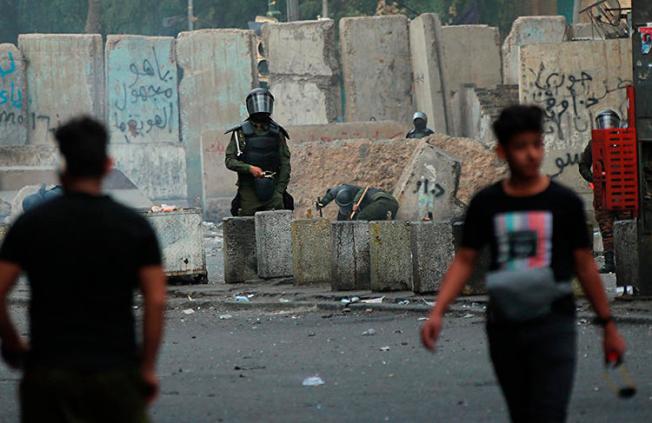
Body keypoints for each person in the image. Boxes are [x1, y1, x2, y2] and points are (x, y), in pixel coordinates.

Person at [420, 106, 626, 423]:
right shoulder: (487, 204)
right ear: (503, 151)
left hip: (554, 323)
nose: (531, 154)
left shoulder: (564, 204)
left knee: (551, 410)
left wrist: (608, 325)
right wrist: (437, 312)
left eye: (536, 145)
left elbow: (585, 267)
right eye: (520, 146)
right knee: (522, 412)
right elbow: (464, 261)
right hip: (505, 327)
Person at [0, 117, 167, 422]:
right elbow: (156, 299)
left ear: (62, 167)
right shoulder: (134, 226)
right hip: (114, 371)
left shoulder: (30, 225)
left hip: (48, 372)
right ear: (107, 164)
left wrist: (13, 344)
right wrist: (146, 368)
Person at [225, 88, 292, 216]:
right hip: (249, 191)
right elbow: (229, 161)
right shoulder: (240, 133)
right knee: (248, 225)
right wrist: (249, 168)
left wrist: (279, 191)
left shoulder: (277, 132)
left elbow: (285, 164)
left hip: (273, 188)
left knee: (277, 225)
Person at [578, 138, 630, 274]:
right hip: (604, 194)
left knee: (627, 227)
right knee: (606, 229)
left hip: (623, 192)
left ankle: (627, 262)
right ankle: (609, 263)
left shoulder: (623, 142)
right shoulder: (594, 143)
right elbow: (583, 165)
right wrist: (595, 179)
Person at [317, 184, 399, 221]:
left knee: (361, 218)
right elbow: (330, 195)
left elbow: (362, 191)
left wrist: (355, 202)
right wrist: (322, 203)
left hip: (384, 202)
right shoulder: (338, 191)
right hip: (383, 207)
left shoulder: (359, 194)